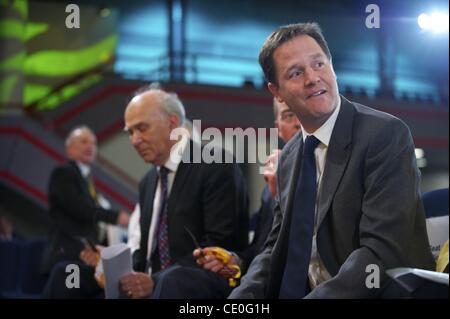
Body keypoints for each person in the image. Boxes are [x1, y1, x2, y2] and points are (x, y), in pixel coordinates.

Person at [229, 22, 434, 299]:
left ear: (332, 66)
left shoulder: (385, 135)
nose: (312, 78)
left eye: (319, 64)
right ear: (276, 91)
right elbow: (274, 249)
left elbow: (380, 252)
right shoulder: (290, 157)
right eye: (296, 72)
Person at [82, 85, 248, 299]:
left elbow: (219, 248)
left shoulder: (215, 163)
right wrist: (114, 270)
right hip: (154, 284)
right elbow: (145, 253)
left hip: (193, 285)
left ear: (172, 123)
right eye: (130, 132)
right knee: (68, 277)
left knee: (170, 283)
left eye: (142, 128)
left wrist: (156, 280)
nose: (134, 140)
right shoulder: (149, 181)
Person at [194, 98, 301, 278]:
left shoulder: (332, 173)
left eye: (302, 113)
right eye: (289, 115)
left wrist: (283, 194)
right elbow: (260, 249)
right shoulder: (268, 191)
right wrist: (235, 261)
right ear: (278, 129)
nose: (298, 122)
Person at [41, 126, 129, 298]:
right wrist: (114, 216)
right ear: (69, 148)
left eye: (94, 143)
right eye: (83, 142)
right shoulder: (63, 173)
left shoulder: (86, 180)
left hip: (83, 256)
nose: (90, 147)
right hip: (67, 255)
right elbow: (79, 208)